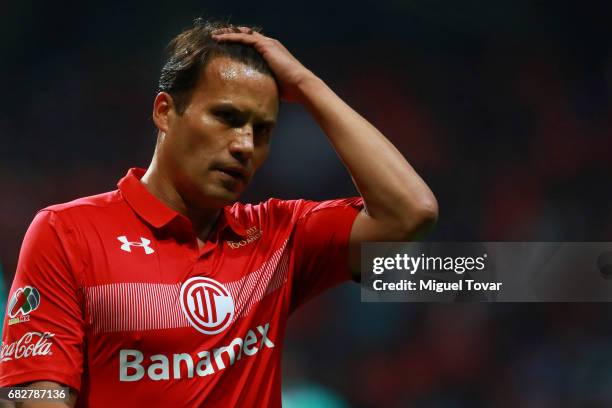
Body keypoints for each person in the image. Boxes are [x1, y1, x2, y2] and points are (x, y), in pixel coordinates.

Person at [0, 19, 437, 407]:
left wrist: (307, 86)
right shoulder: (68, 233)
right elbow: (32, 396)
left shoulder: (279, 236)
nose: (245, 145)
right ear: (165, 112)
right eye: (226, 117)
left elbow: (410, 212)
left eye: (262, 130)